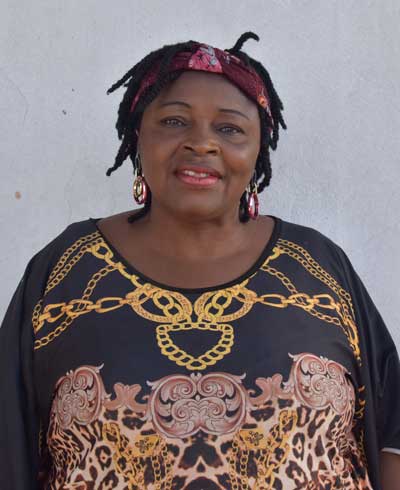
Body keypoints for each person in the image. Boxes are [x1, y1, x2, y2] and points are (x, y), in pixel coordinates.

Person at [0, 31, 399, 490]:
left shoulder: (317, 267)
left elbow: (392, 427)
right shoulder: (66, 269)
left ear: (259, 147)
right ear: (138, 136)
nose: (202, 143)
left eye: (229, 128)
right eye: (174, 121)